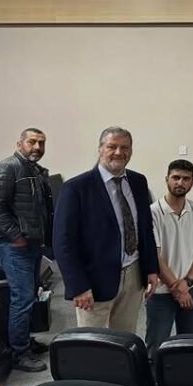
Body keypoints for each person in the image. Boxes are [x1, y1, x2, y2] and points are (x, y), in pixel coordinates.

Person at [53, 127, 159, 332]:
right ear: (100, 149)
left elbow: (145, 229)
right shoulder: (76, 188)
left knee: (125, 337)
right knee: (93, 342)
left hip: (133, 274)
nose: (119, 152)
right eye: (112, 147)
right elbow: (63, 242)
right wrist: (78, 286)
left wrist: (151, 268)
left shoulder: (138, 182)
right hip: (94, 280)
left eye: (125, 147)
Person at [0, 128, 54, 372]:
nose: (37, 147)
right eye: (32, 142)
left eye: (41, 143)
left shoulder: (34, 170)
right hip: (14, 246)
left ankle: (24, 340)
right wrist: (15, 236)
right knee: (22, 299)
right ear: (19, 144)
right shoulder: (7, 168)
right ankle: (19, 353)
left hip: (32, 244)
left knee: (29, 296)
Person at [145, 160, 193, 355]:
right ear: (167, 179)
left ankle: (186, 374)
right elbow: (155, 255)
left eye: (186, 179)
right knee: (156, 344)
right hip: (162, 290)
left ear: (192, 182)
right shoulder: (152, 212)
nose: (180, 182)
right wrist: (177, 288)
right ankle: (153, 375)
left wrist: (187, 282)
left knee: (190, 344)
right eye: (176, 177)